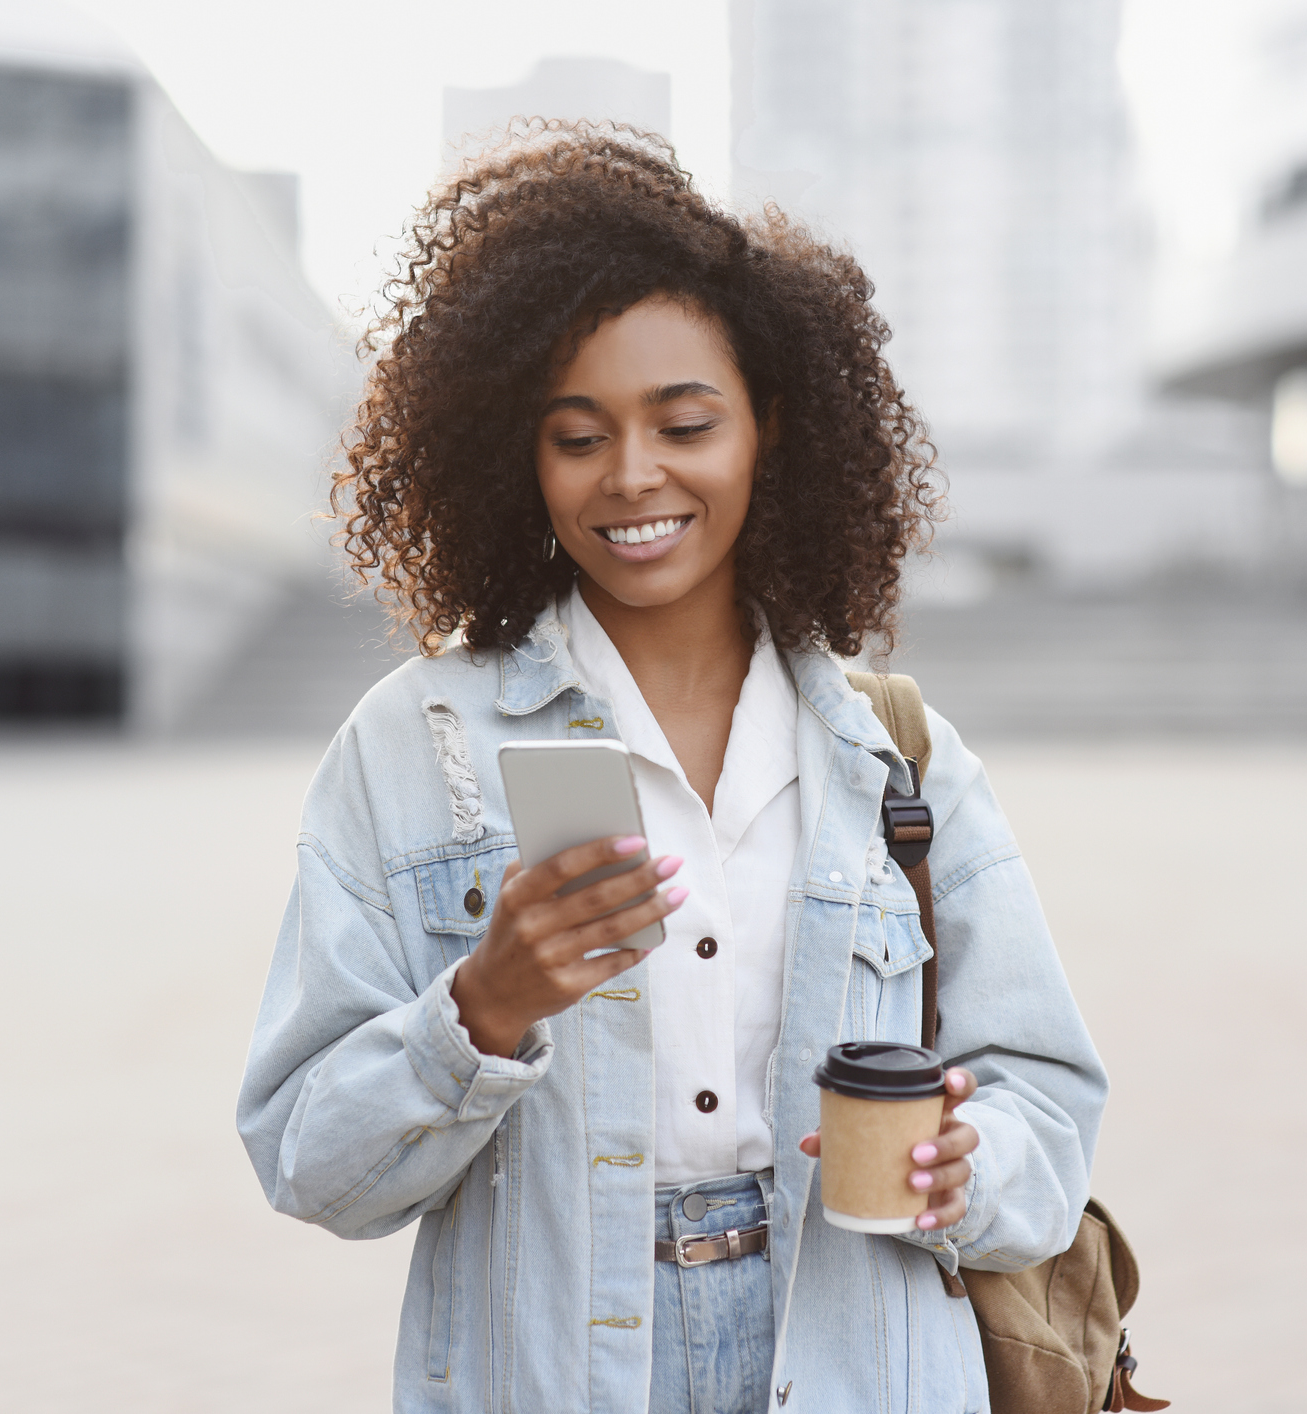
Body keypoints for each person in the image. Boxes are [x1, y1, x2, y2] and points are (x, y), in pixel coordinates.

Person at [237, 124, 1106, 1414]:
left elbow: (1049, 1098)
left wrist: (966, 1166)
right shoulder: (413, 747)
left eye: (684, 423)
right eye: (576, 437)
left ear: (771, 432)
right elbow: (310, 1161)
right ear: (514, 459)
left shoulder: (896, 756)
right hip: (551, 1366)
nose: (633, 477)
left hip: (856, 1360)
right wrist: (479, 1011)